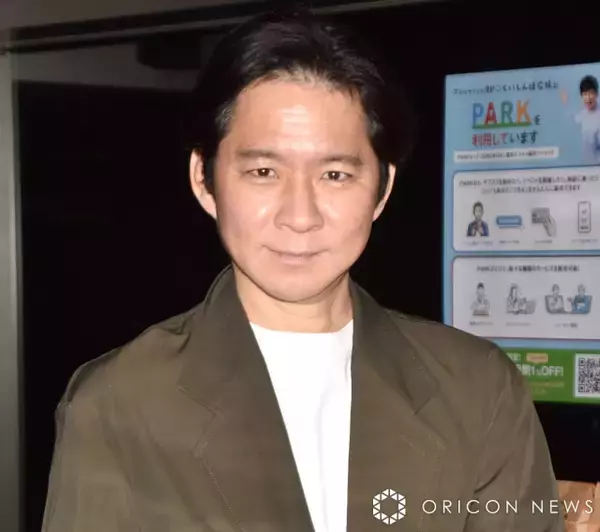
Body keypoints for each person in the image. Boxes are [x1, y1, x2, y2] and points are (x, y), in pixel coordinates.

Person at [42, 8, 563, 532]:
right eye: (264, 171)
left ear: (382, 189)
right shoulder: (119, 405)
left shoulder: (477, 390)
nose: (299, 215)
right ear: (204, 179)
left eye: (334, 175)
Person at [561, 75, 600, 163]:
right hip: (586, 163)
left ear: (596, 94)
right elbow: (574, 118)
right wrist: (565, 103)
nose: (588, 98)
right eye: (585, 94)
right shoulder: (583, 114)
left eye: (591, 93)